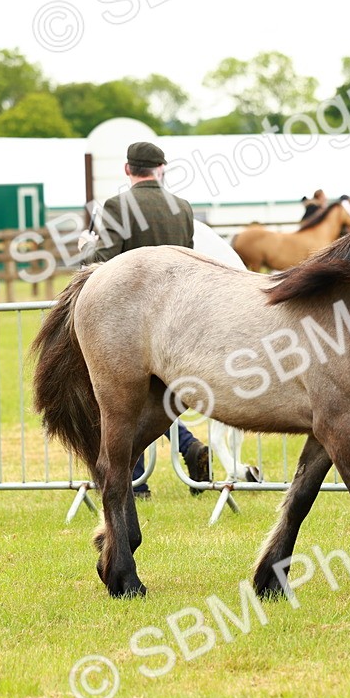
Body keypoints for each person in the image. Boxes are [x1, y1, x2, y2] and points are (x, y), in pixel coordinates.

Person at [83, 141, 209, 497]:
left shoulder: (116, 206)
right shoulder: (181, 207)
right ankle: (187, 447)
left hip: (130, 320)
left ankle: (133, 481)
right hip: (177, 318)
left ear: (128, 169)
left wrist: (85, 248)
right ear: (161, 168)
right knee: (164, 396)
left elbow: (102, 259)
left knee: (121, 402)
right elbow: (189, 260)